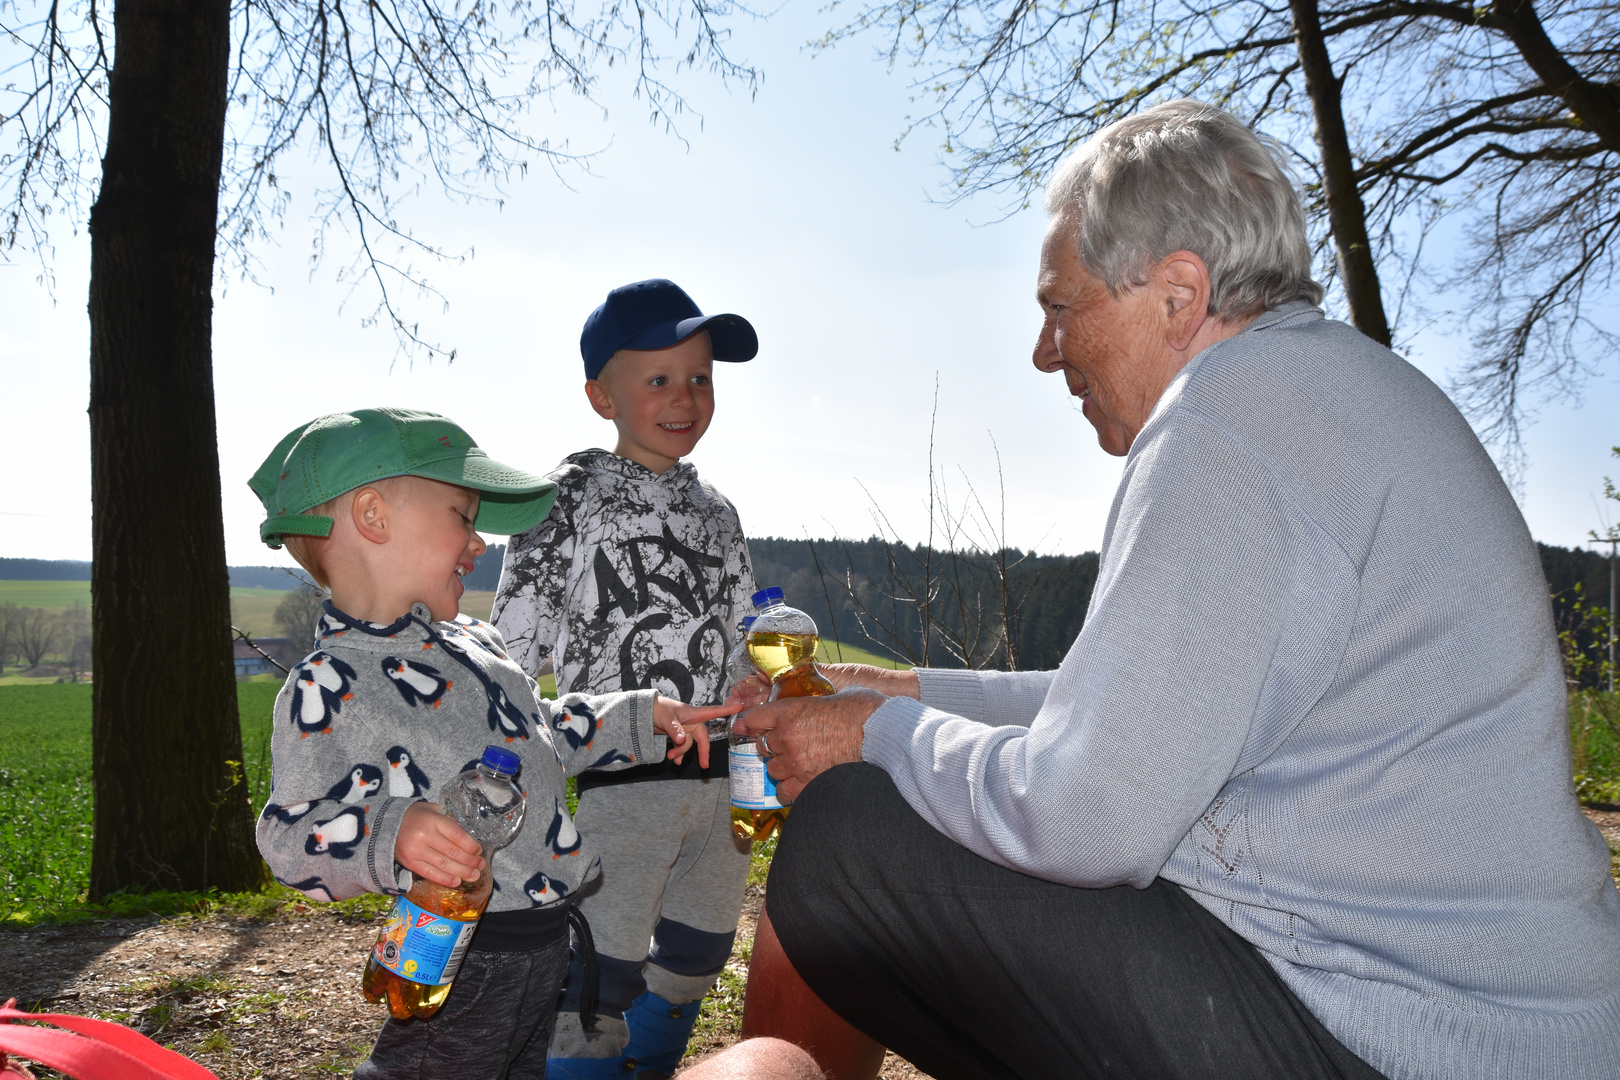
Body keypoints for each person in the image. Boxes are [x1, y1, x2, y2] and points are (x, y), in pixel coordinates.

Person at [734, 100, 1620, 1079]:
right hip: (1513, 1023)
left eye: (1062, 307)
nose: (1044, 349)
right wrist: (896, 692)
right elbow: (1123, 719)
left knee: (848, 834)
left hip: (1399, 1036)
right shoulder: (1331, 393)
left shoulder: (1225, 424)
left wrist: (866, 738)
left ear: (1178, 293)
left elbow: (1086, 812)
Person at [249, 407, 735, 1080]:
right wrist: (391, 832)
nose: (479, 543)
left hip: (547, 943)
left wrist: (638, 718)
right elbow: (287, 836)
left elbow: (542, 732)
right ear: (373, 515)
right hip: (455, 952)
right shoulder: (331, 682)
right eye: (462, 515)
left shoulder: (476, 644)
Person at [492, 279, 760, 1079]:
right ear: (600, 395)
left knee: (699, 953)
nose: (685, 398)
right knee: (599, 976)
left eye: (701, 378)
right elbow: (512, 651)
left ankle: (647, 1065)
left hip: (718, 780)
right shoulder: (564, 499)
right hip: (622, 775)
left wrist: (754, 681)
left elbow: (744, 631)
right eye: (659, 380)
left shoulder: (718, 511)